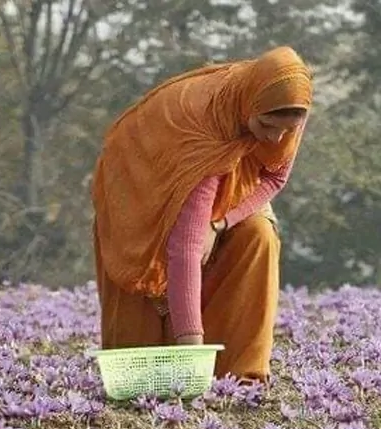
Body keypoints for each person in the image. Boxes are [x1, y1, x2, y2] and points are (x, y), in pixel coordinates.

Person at [91, 46, 313, 382]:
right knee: (142, 362)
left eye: (286, 131)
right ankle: (181, 351)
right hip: (147, 183)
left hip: (234, 186)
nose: (275, 138)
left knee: (259, 234)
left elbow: (274, 177)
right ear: (251, 105)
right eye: (267, 125)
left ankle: (238, 372)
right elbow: (185, 248)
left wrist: (221, 222)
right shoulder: (207, 133)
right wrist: (191, 348)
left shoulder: (285, 111)